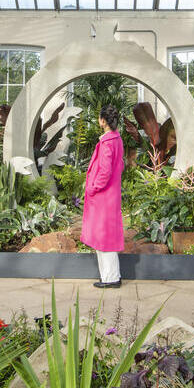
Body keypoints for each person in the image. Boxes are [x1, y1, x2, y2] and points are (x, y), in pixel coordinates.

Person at [82, 104, 126, 288]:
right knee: (106, 236)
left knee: (104, 237)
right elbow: (119, 165)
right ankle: (110, 276)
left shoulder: (108, 142)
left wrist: (93, 187)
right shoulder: (117, 140)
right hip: (110, 195)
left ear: (102, 120)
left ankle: (111, 278)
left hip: (103, 196)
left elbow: (105, 171)